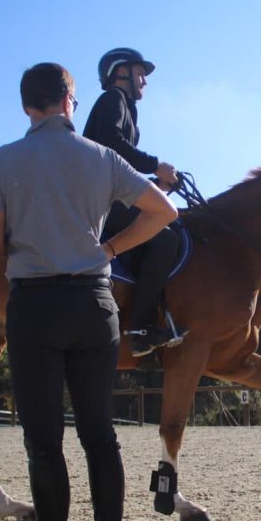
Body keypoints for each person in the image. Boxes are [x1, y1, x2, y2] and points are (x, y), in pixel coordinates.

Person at [0, 62, 177, 521]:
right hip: (94, 303)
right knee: (100, 437)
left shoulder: (0, 161)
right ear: (69, 101)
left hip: (35, 307)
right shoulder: (103, 157)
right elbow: (162, 211)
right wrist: (109, 248)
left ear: (26, 106)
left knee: (44, 444)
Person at [83, 47, 187, 357]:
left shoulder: (128, 110)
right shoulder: (112, 100)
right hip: (100, 200)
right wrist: (155, 166)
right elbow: (113, 145)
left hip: (113, 195)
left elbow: (121, 164)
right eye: (140, 73)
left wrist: (156, 187)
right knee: (164, 240)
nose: (145, 80)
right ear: (121, 72)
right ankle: (140, 329)